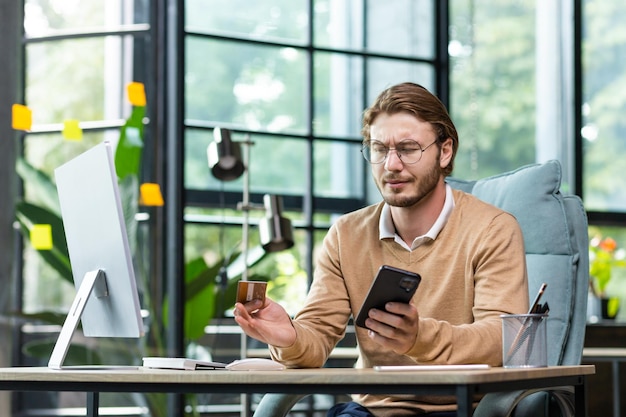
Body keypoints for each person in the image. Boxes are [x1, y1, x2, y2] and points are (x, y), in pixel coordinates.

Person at [233, 82, 529, 417]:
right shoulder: (347, 234)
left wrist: (419, 338)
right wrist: (288, 336)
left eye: (408, 148)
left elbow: (503, 341)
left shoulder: (493, 229)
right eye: (379, 149)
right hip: (371, 412)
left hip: (464, 409)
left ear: (445, 151)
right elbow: (313, 342)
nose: (391, 164)